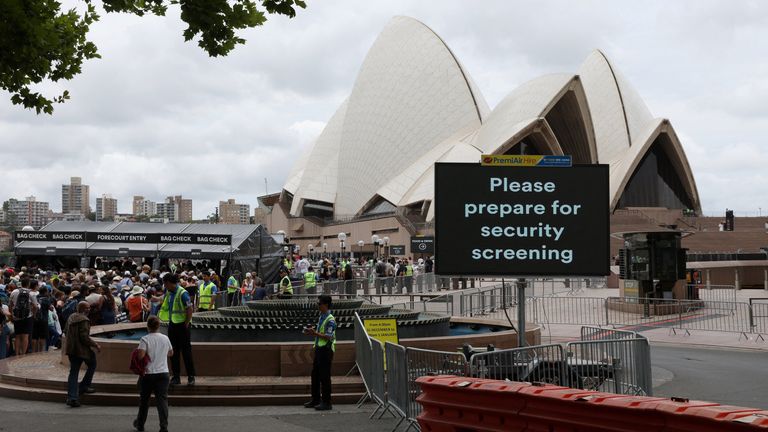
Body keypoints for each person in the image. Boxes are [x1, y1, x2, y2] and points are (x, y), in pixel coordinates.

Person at [133, 316, 173, 432]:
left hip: (149, 373)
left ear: (148, 326)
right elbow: (171, 353)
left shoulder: (145, 339)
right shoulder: (165, 338)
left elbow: (140, 356)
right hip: (163, 373)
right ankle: (163, 427)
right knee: (162, 401)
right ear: (158, 326)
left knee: (144, 401)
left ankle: (140, 425)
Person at [158, 273, 195, 386]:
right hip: (172, 325)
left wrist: (186, 323)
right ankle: (176, 377)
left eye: (165, 284)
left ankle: (191, 377)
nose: (164, 286)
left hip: (183, 326)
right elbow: (164, 302)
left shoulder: (183, 293)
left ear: (168, 283)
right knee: (173, 352)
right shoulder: (169, 293)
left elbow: (189, 308)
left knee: (186, 352)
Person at [303, 295, 336, 411]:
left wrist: (314, 333)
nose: (318, 306)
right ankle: (315, 399)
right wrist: (312, 331)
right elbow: (321, 332)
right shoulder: (322, 316)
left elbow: (328, 336)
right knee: (315, 375)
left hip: (326, 350)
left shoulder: (330, 319)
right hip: (319, 349)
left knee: (324, 377)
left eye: (319, 304)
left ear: (326, 304)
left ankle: (327, 402)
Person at [65, 301, 101, 407]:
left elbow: (66, 331)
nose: (89, 309)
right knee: (92, 363)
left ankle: (72, 397)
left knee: (74, 372)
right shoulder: (84, 320)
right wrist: (96, 345)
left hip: (72, 349)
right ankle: (84, 386)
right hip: (81, 349)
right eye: (87, 308)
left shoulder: (71, 317)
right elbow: (84, 337)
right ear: (83, 309)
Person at [10, 277, 40, 356]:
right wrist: (34, 314)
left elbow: (10, 304)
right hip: (28, 316)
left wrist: (12, 314)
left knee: (17, 336)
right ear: (28, 284)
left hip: (16, 316)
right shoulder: (31, 293)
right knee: (25, 336)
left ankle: (16, 354)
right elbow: (36, 306)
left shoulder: (14, 291)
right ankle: (23, 354)